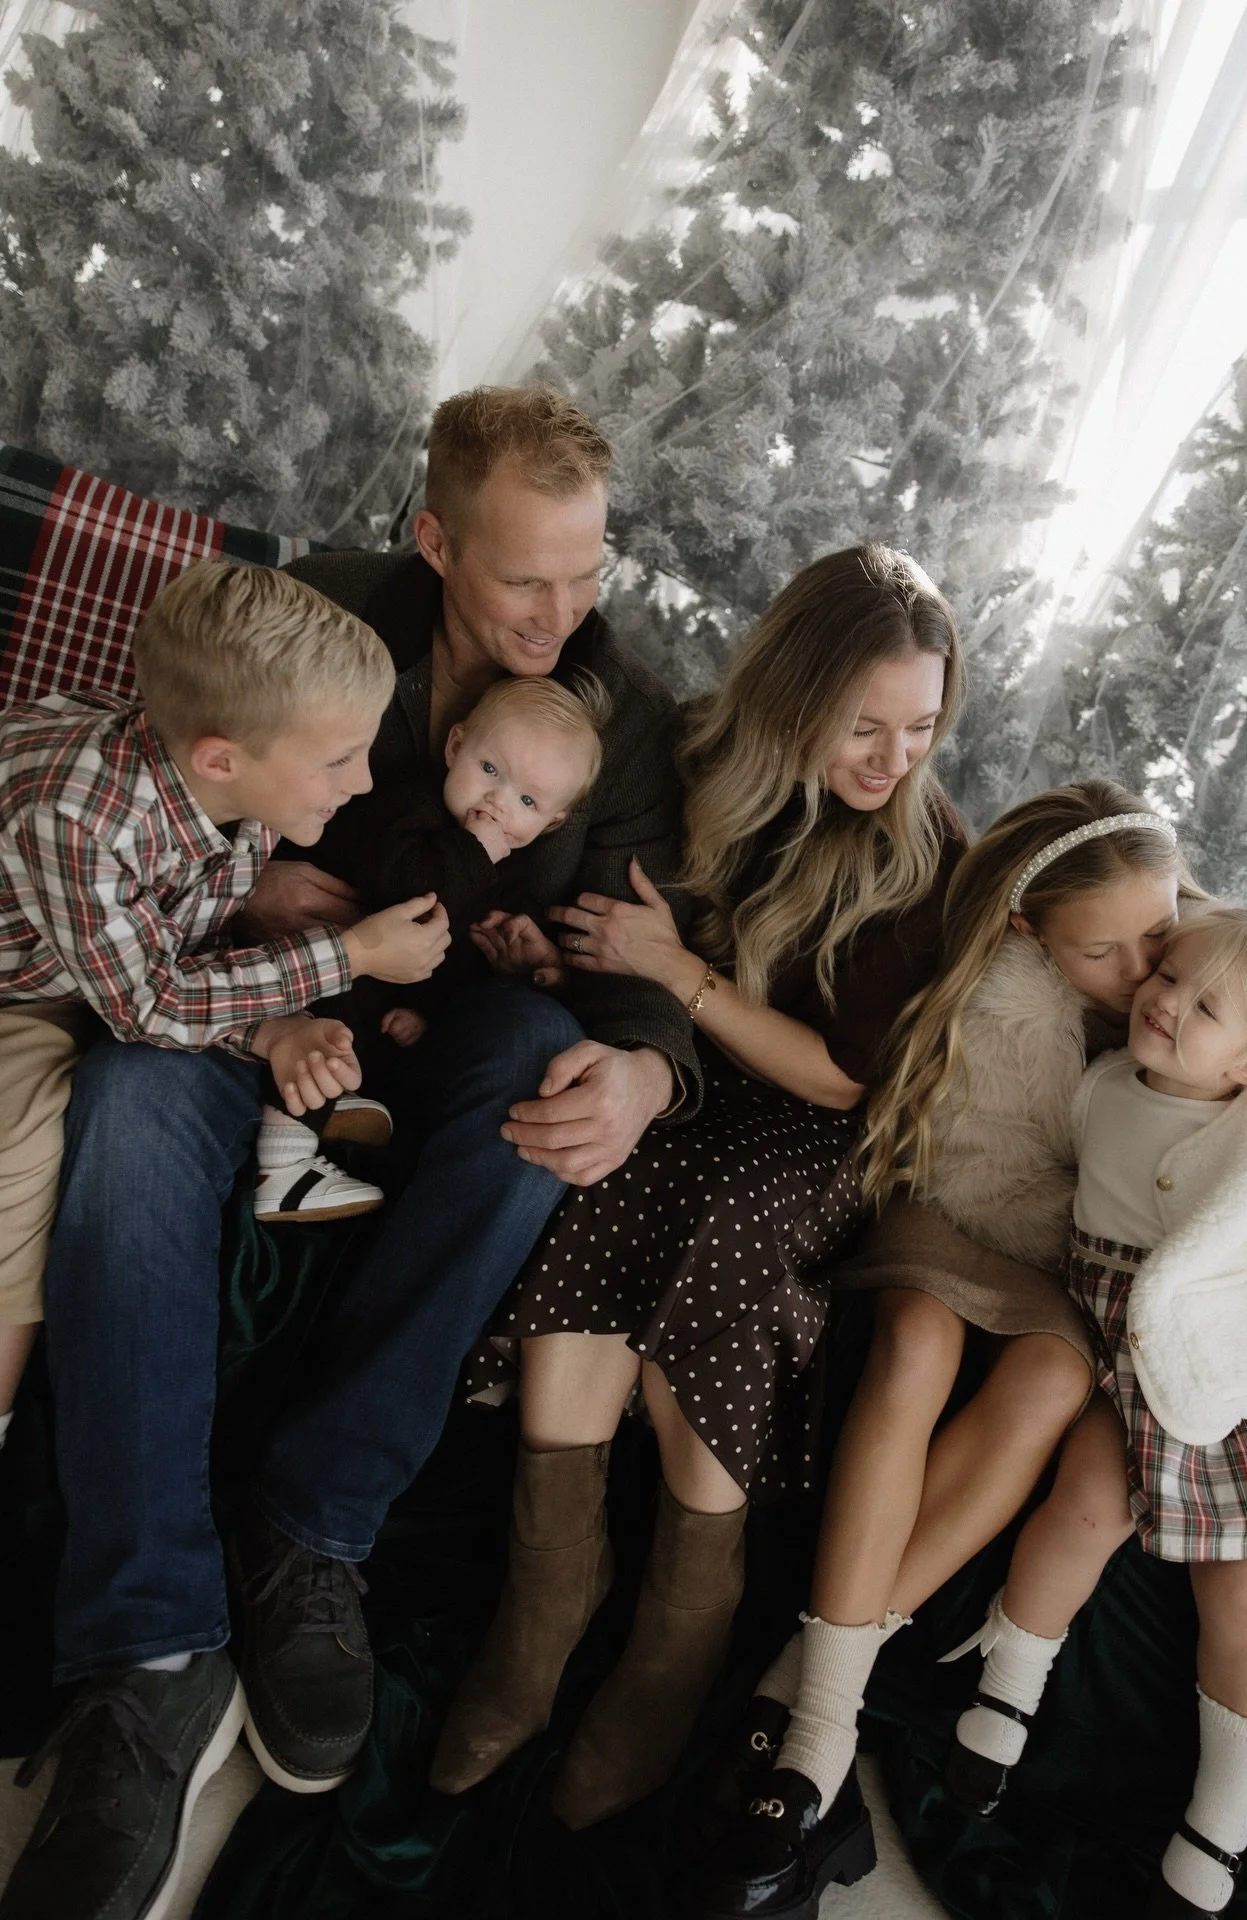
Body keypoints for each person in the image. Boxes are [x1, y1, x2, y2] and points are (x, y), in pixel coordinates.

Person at [0, 386, 693, 1920]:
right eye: (527, 578)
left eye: (589, 574)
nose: (562, 613)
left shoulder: (622, 709)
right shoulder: (317, 613)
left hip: (446, 1033)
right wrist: (271, 917)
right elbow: (171, 808)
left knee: (544, 1071)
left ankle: (314, 1528)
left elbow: (645, 949)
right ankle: (145, 1646)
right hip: (236, 1009)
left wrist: (646, 1064)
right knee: (124, 1099)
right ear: (436, 540)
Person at [429, 543, 967, 1832]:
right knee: (608, 1188)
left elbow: (847, 1085)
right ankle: (545, 1604)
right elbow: (579, 905)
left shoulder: (919, 858)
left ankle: (676, 1643)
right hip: (681, 1078)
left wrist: (681, 978)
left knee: (729, 1239)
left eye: (924, 728)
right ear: (792, 694)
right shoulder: (684, 759)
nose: (894, 759)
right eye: (864, 725)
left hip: (809, 1125)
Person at [0, 560, 447, 1914]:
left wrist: (273, 1012)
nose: (364, 787)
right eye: (342, 762)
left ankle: (201, 1628)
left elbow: (177, 937)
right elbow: (136, 1001)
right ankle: (138, 1648)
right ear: (221, 755)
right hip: (32, 982)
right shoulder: (79, 817)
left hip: (113, 970)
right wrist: (338, 964)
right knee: (27, 1149)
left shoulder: (225, 782)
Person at [694, 780, 1194, 1920]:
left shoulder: (1190, 980)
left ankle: (809, 1689)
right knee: (916, 1341)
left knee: (1055, 1375)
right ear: (1030, 931)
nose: (1141, 971)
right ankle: (820, 1722)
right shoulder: (986, 986)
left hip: (1066, 1254)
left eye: (1155, 935)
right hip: (950, 1202)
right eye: (1104, 953)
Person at [946, 905, 1247, 1919]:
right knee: (1079, 1510)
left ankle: (1224, 1813)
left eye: (1205, 1006)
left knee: (1242, 1602)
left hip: (1231, 1388)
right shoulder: (1106, 1087)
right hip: (1120, 1369)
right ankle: (1004, 1693)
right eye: (1170, 975)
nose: (1165, 1001)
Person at [251, 671, 608, 1222]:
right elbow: (400, 886)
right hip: (315, 968)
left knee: (375, 1041)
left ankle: (336, 1115)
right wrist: (471, 852)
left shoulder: (504, 868)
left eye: (527, 800)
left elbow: (455, 954)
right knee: (329, 1022)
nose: (496, 801)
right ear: (455, 745)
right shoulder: (411, 810)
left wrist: (427, 1010)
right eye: (489, 769)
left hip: (380, 1002)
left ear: (552, 821)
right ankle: (284, 1165)